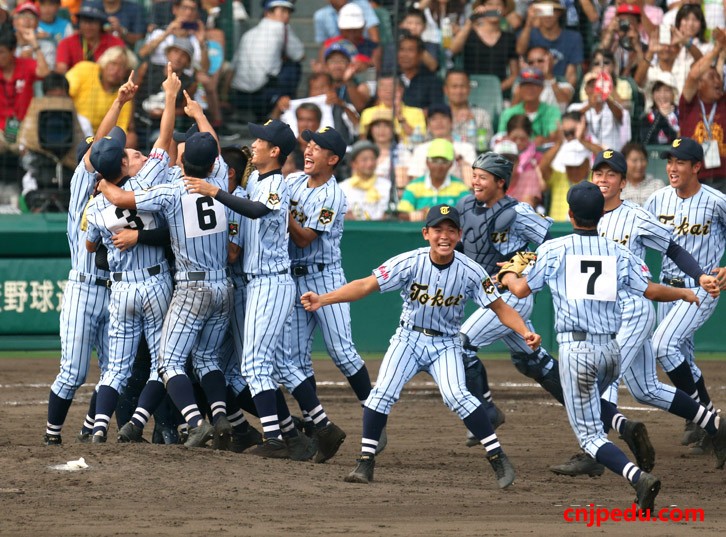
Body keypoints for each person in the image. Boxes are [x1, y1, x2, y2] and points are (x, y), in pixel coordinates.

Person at [301, 203, 541, 487]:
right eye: (438, 229)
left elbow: (500, 308)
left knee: (458, 396)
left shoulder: (471, 271)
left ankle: (498, 457)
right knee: (380, 395)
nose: (444, 236)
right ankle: (365, 462)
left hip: (446, 343)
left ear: (459, 235)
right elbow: (365, 285)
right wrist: (323, 299)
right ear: (426, 233)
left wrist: (525, 330)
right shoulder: (409, 262)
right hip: (409, 339)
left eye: (451, 230)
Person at [501, 180, 701, 512]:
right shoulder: (617, 251)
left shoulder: (555, 249)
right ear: (600, 214)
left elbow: (520, 290)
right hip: (611, 352)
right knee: (594, 402)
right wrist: (683, 292)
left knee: (591, 437)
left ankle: (638, 477)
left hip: (577, 352)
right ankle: (625, 425)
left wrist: (509, 274)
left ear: (569, 213)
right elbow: (650, 290)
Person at [184, 120, 342, 462]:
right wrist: (196, 112)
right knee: (281, 364)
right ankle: (323, 429)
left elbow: (257, 210)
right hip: (258, 282)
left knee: (255, 364)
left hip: (271, 280)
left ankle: (275, 437)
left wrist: (215, 193)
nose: (253, 144)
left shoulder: (276, 184)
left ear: (275, 152)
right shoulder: (255, 177)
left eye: (261, 140)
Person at [561, 148, 725, 476]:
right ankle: (715, 426)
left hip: (632, 310)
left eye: (611, 174)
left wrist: (698, 277)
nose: (603, 179)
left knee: (604, 372)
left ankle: (594, 451)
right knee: (645, 388)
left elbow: (673, 247)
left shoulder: (635, 215)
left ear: (624, 182)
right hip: (603, 314)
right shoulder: (583, 218)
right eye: (599, 173)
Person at [98, 89, 238, 449]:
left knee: (169, 361)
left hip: (188, 287)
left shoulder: (171, 190)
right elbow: (215, 149)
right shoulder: (218, 182)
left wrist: (103, 180)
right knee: (206, 359)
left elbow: (121, 198)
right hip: (222, 285)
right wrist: (196, 113)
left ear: (185, 158)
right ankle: (218, 416)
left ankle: (195, 421)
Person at [83, 68, 176, 443]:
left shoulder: (97, 205)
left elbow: (91, 246)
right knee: (163, 361)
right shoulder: (146, 181)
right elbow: (165, 135)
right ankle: (137, 420)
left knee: (115, 368)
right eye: (125, 154)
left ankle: (100, 426)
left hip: (120, 290)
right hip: (154, 282)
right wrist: (169, 96)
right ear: (122, 166)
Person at [285, 127, 377, 447]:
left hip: (325, 277)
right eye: (308, 145)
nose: (309, 151)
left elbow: (304, 237)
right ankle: (316, 423)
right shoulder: (295, 180)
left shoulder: (333, 195)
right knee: (296, 357)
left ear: (333, 159)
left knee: (341, 352)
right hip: (294, 279)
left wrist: (279, 211)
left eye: (318, 148)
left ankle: (373, 412)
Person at [645, 137, 726, 455]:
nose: (672, 167)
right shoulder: (658, 199)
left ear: (696, 166)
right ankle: (706, 423)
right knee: (683, 359)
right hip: (668, 288)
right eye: (669, 161)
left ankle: (704, 420)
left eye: (680, 162)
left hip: (703, 288)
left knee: (662, 345)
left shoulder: (716, 201)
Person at [43, 134, 109, 445]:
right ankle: (51, 434)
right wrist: (119, 104)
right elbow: (90, 160)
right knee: (73, 372)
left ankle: (89, 428)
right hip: (83, 289)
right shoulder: (81, 193)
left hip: (115, 292)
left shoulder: (118, 195)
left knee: (114, 371)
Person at [229, 0, 304, 122]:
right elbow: (300, 55)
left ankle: (245, 111)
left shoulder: (248, 34)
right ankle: (279, 110)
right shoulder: (281, 27)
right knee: (294, 67)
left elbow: (233, 67)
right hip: (263, 95)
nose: (287, 15)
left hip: (241, 97)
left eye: (288, 12)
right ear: (268, 13)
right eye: (282, 11)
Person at [678, 38, 726, 193]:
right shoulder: (688, 103)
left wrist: (722, 55)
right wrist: (716, 49)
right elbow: (693, 75)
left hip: (723, 179)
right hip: (694, 180)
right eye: (712, 77)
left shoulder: (723, 102)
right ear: (700, 84)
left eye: (718, 77)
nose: (718, 80)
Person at [450, 0, 518, 96]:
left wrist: (497, 89)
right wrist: (471, 21)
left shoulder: (509, 38)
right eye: (490, 4)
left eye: (498, 5)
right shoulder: (468, 34)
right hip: (470, 91)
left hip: (498, 93)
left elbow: (514, 74)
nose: (494, 8)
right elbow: (453, 50)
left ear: (504, 9)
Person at [66, 45, 137, 134]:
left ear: (126, 72)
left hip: (100, 139)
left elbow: (120, 129)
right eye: (113, 63)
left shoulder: (124, 94)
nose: (116, 70)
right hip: (71, 127)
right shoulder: (84, 69)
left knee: (131, 138)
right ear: (104, 62)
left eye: (122, 67)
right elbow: (63, 93)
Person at [515, 0, 583, 88]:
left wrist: (565, 93)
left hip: (559, 87)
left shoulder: (574, 38)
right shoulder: (529, 34)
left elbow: (571, 74)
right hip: (533, 86)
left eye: (551, 11)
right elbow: (520, 50)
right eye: (543, 12)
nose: (547, 16)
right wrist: (529, 23)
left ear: (559, 13)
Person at [398, 138, 469, 221]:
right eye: (435, 160)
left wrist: (430, 214)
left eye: (444, 161)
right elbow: (401, 214)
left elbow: (468, 214)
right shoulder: (413, 186)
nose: (439, 166)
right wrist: (419, 215)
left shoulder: (461, 188)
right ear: (427, 162)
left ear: (451, 164)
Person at [407, 103, 476, 186]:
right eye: (434, 119)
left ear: (451, 122)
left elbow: (474, 178)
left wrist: (458, 159)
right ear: (428, 125)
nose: (439, 122)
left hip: (460, 194)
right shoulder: (421, 149)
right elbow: (415, 179)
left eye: (443, 117)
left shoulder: (466, 148)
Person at [55, 3, 125, 74]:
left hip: (106, 84)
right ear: (79, 23)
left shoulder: (114, 43)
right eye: (84, 21)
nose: (87, 26)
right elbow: (61, 70)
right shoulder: (67, 43)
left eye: (92, 22)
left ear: (100, 24)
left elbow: (122, 69)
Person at [359, 73, 426, 147]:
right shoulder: (368, 113)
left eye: (392, 88)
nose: (388, 92)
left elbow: (421, 140)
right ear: (378, 92)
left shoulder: (416, 112)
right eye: (384, 89)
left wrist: (400, 117)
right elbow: (363, 141)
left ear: (401, 90)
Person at [497, 67, 560, 144]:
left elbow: (554, 138)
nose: (530, 89)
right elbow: (500, 138)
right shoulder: (508, 113)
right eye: (526, 85)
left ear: (542, 88)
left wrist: (543, 141)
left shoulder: (553, 112)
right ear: (519, 88)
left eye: (534, 85)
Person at [340, 139, 391, 220]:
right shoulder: (343, 188)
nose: (370, 164)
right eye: (364, 160)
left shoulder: (387, 186)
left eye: (373, 159)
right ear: (354, 164)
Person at [443, 69, 493, 151]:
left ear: (469, 88)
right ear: (446, 90)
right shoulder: (438, 115)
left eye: (462, 86)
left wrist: (474, 123)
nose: (459, 91)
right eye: (454, 86)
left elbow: (486, 143)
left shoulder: (482, 114)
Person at [518, 45, 573, 114]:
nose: (536, 65)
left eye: (540, 61)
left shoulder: (562, 83)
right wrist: (526, 77)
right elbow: (514, 108)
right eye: (531, 62)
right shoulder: (522, 84)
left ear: (550, 61)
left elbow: (564, 102)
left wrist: (549, 76)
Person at [396, 33, 443, 110]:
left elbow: (435, 111)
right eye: (402, 50)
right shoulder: (391, 78)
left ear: (420, 55)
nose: (405, 55)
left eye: (410, 50)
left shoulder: (432, 82)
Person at [639, 72, 680, 145]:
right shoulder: (646, 118)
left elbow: (677, 141)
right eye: (658, 90)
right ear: (652, 94)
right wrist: (661, 116)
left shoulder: (681, 115)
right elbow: (646, 141)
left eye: (667, 90)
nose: (662, 95)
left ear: (674, 94)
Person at [12, 1, 57, 70]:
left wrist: (35, 45)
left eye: (31, 17)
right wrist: (19, 61)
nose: (27, 20)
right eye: (22, 16)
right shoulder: (6, 45)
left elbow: (49, 73)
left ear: (37, 24)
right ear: (15, 22)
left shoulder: (48, 46)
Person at [314, 0, 380, 45]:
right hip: (337, 55)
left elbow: (374, 37)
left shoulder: (362, 4)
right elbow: (324, 45)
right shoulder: (320, 15)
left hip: (363, 51)